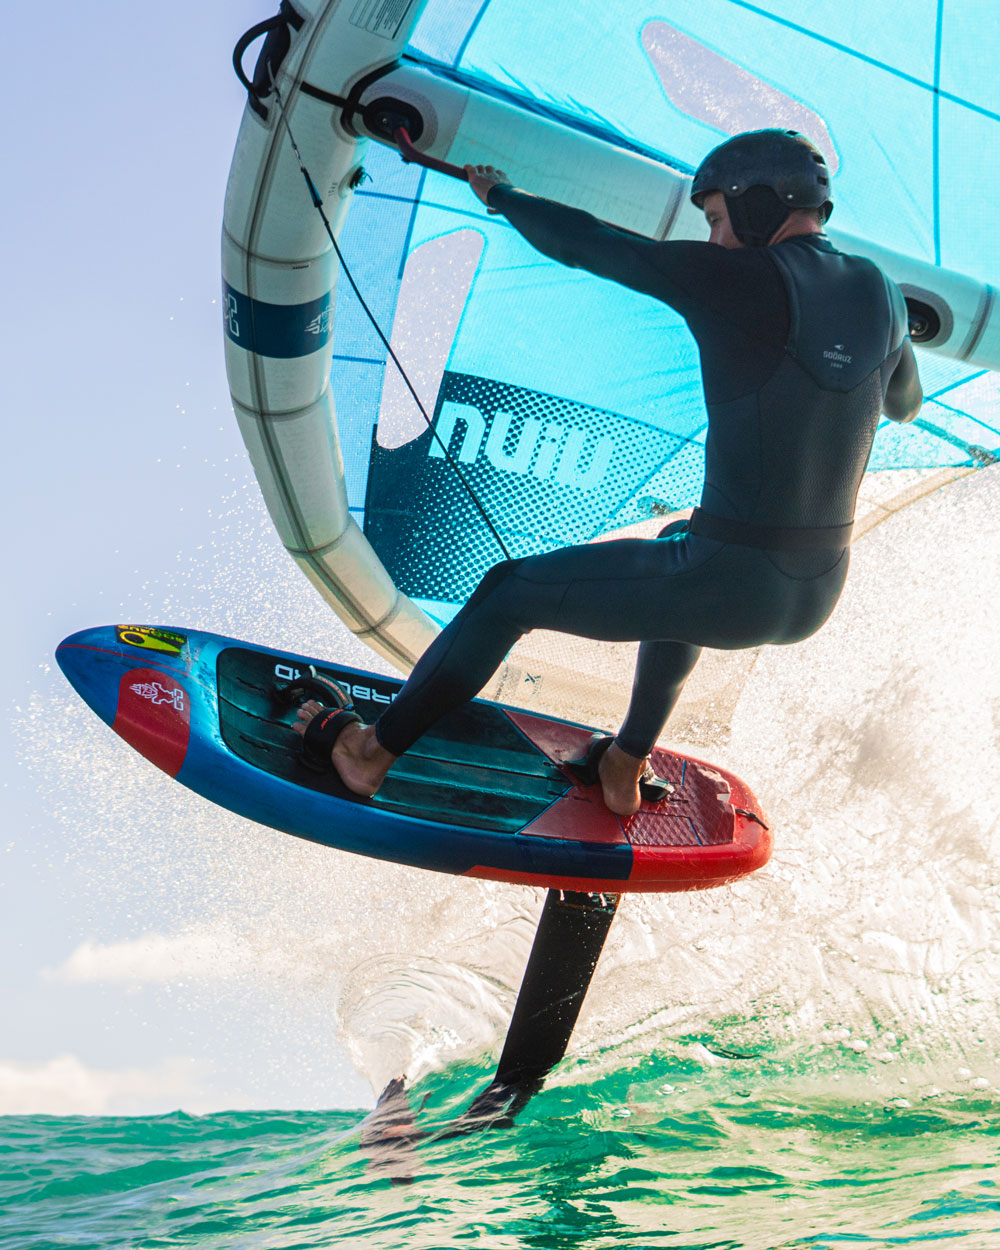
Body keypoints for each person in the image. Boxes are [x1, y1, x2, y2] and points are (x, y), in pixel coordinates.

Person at [293, 129, 923, 815]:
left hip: (731, 585)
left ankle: (368, 755)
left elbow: (591, 245)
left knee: (508, 592)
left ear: (759, 201)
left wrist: (501, 194)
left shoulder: (739, 279)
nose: (713, 239)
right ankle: (624, 761)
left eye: (715, 218)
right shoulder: (883, 293)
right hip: (815, 594)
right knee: (678, 541)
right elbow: (904, 403)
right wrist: (879, 335)